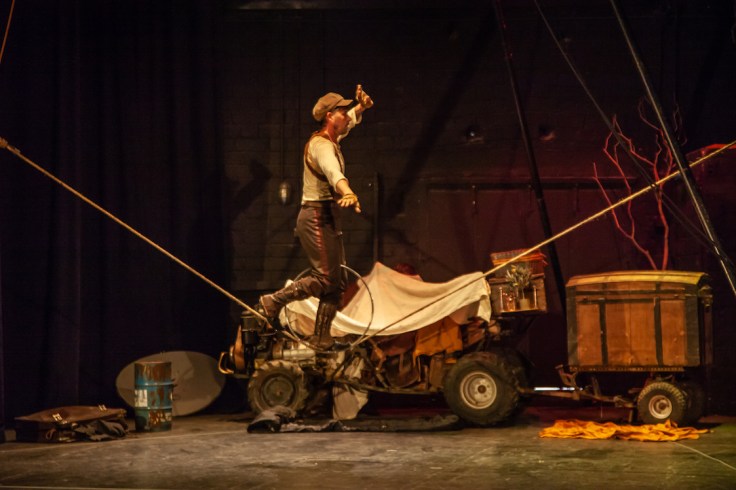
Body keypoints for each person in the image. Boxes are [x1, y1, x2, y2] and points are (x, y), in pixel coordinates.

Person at [257, 84, 374, 350]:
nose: (347, 116)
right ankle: (273, 301)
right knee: (326, 279)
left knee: (337, 282)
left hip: (326, 216)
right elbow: (333, 173)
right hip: (315, 217)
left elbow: (348, 122)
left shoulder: (331, 138)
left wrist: (361, 108)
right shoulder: (321, 147)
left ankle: (321, 337)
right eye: (342, 112)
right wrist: (348, 191)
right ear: (329, 116)